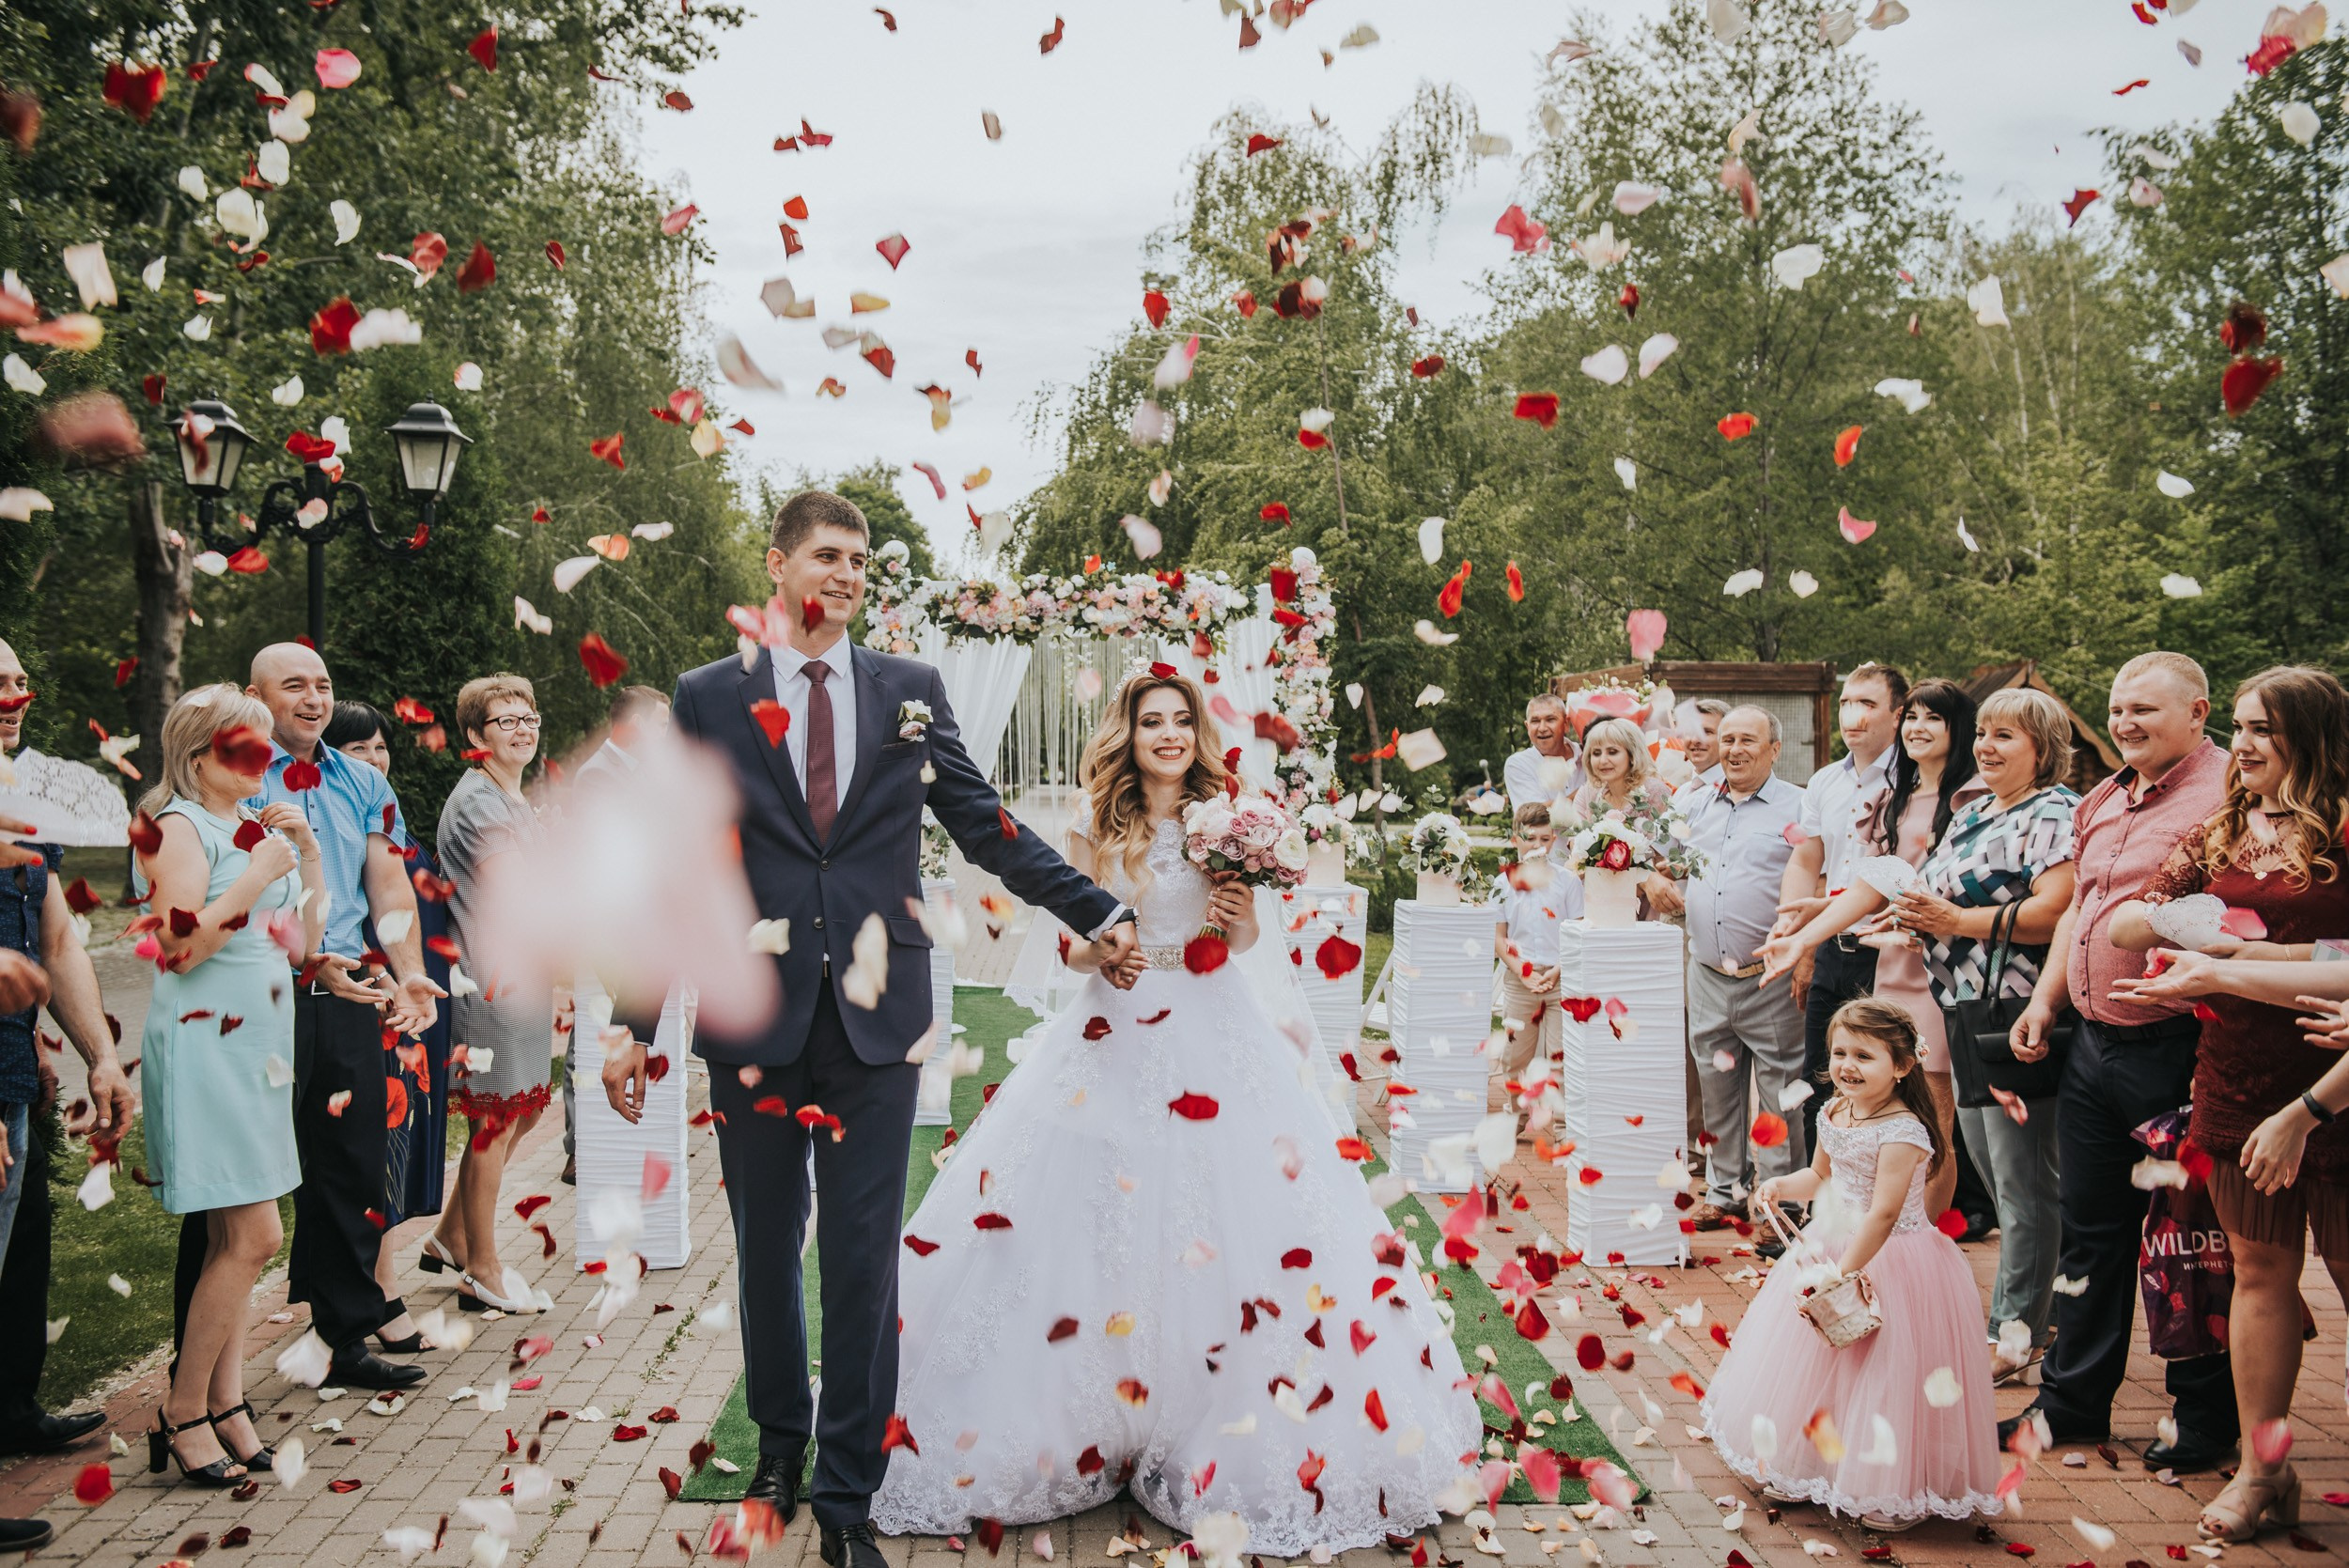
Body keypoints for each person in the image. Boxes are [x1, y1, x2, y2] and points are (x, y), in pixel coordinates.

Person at [600, 490, 1141, 1568]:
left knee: (858, 1260)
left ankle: (847, 1493)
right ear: (780, 564)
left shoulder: (910, 691)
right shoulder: (710, 698)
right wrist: (633, 1023)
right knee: (763, 1252)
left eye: (861, 562)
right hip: (754, 1015)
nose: (848, 575)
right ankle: (776, 1448)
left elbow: (984, 827)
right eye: (829, 556)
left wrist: (1097, 907)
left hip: (877, 1021)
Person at [871, 668, 1478, 1554]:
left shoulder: (1229, 820)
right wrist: (1100, 959)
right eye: (1150, 721)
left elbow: (1241, 944)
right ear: (1130, 732)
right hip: (1112, 1032)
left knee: (1227, 1221)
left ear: (1197, 733)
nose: (1166, 734)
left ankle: (1203, 1420)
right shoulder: (1095, 824)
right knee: (1093, 1219)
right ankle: (1093, 1418)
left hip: (1213, 1032)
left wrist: (1234, 913)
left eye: (1179, 721)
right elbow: (1069, 946)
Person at [2102, 666, 2349, 1543]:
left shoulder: (2348, 825)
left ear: (2312, 737)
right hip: (2237, 1078)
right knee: (2259, 1275)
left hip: (2337, 1080)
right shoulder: (2224, 829)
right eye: (2238, 727)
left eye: (2262, 730)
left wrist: (2241, 964)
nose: (2240, 745)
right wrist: (2197, 928)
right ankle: (2263, 1468)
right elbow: (2129, 922)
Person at [1998, 654, 2235, 1470]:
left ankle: (2204, 1417)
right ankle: (2072, 1405)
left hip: (2182, 1047)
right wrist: (2046, 1001)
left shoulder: (2232, 795)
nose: (2126, 722)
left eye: (2145, 709)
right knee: (2091, 1235)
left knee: (2191, 1244)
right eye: (2118, 709)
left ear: (2199, 711)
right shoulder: (2105, 794)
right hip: (2095, 1045)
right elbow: (2083, 910)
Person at [1701, 1000, 2001, 1531]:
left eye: (1865, 1055)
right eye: (1840, 1052)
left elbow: (1885, 1213)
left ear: (1904, 1066)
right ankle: (1801, 1465)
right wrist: (1779, 1185)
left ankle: (1891, 1486)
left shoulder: (1904, 1131)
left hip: (1896, 1258)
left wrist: (1843, 1273)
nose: (1847, 1065)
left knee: (1886, 1372)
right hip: (1834, 1241)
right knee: (1818, 1366)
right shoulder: (1834, 1110)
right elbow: (1819, 1176)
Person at [134, 685, 327, 1485]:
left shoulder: (258, 826)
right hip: (204, 1042)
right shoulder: (176, 826)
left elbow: (300, 946)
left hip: (259, 1046)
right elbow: (177, 950)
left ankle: (227, 1403)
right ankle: (181, 1411)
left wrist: (305, 851)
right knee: (256, 1237)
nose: (258, 759)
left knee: (231, 1239)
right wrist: (253, 875)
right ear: (197, 753)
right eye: (238, 746)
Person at [239, 643, 443, 1392]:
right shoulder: (228, 774)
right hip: (256, 995)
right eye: (295, 684)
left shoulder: (362, 780)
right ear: (254, 694)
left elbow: (389, 885)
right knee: (248, 1178)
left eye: (323, 684)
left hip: (349, 989)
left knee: (351, 1162)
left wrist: (411, 969)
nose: (314, 697)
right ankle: (203, 1367)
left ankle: (345, 1331)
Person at [1888, 687, 2077, 1382]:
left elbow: (2057, 909)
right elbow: (1940, 894)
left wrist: (1952, 922)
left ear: (2044, 748)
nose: (1989, 746)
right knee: (1993, 1174)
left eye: (2008, 736)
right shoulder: (1971, 813)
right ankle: (2043, 1310)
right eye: (1986, 733)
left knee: (2026, 1181)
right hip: (1962, 1009)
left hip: (2020, 1012)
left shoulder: (2055, 811)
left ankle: (2012, 1333)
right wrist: (1914, 917)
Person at [1759, 679, 1984, 1222]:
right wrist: (1801, 938)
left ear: (1959, 731)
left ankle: (1923, 1245)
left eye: (1934, 719)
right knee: (1891, 1114)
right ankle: (1878, 1234)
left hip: (1945, 972)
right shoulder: (1894, 800)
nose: (1918, 729)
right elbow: (1867, 890)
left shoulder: (1976, 799)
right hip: (1894, 970)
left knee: (1934, 1127)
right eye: (1913, 719)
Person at [0, 639, 132, 1477]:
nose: (16, 692)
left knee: (18, 1252)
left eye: (18, 678)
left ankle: (12, 1409)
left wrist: (99, 1056)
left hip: (15, 1072)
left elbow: (60, 944)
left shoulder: (25, 809)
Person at [321, 701, 456, 1353]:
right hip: (354, 989)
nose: (374, 760)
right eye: (358, 749)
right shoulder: (323, 807)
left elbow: (405, 902)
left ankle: (374, 1288)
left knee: (386, 1155)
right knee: (366, 1154)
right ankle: (375, 1295)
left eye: (380, 747)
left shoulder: (385, 812)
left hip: (401, 995)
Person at [421, 675, 555, 1313]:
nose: (523, 728)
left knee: (522, 1111)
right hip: (491, 979)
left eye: (528, 717)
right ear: (475, 737)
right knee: (495, 1120)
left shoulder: (513, 797)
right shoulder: (477, 801)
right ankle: (482, 1266)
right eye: (506, 720)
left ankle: (449, 1235)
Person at [1681, 706, 1810, 1229]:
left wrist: (1805, 957)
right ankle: (1725, 1189)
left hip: (1771, 976)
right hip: (1707, 973)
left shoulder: (1798, 808)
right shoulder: (1694, 804)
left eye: (1747, 740)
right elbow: (1659, 859)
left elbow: (1814, 885)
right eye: (1727, 738)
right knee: (1716, 1089)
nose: (1734, 749)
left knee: (1780, 1093)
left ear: (1774, 749)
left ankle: (1782, 1205)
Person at [1776, 663, 1906, 1154]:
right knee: (1821, 1076)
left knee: (1893, 1080)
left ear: (1898, 714)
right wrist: (1794, 933)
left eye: (1868, 704)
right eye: (1848, 702)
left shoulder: (1912, 779)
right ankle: (1820, 1199)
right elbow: (1807, 857)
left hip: (1891, 951)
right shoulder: (1825, 780)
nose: (1853, 714)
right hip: (1831, 946)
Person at [562, 685, 672, 1183]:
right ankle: (577, 1144)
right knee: (591, 1031)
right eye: (662, 725)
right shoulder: (598, 777)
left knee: (605, 1027)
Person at [1491, 802, 1583, 1085]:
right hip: (1521, 980)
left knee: (1561, 1057)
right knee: (1515, 1056)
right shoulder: (1503, 884)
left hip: (1561, 978)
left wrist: (1559, 968)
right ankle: (1515, 1118)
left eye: (1544, 839)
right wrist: (1523, 972)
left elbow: (1577, 932)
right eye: (1529, 839)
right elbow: (1499, 938)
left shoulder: (1567, 882)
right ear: (1515, 839)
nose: (1537, 846)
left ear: (1553, 840)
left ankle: (1561, 1125)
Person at [1566, 715, 1689, 918]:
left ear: (1631, 754)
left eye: (1612, 752)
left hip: (1649, 905)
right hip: (1600, 901)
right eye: (1596, 753)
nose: (1603, 760)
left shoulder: (1656, 792)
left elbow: (1665, 856)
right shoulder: (1589, 793)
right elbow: (1577, 851)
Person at [1503, 692, 1579, 814]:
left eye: (1550, 720)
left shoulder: (1589, 756)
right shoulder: (1518, 764)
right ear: (1527, 727)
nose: (1542, 728)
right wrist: (1589, 790)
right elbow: (1535, 816)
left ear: (1566, 724)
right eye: (1535, 721)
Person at [1670, 698, 1730, 811]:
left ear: (1727, 739)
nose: (1695, 740)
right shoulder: (1682, 792)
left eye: (1707, 732)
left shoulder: (1732, 793)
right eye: (1690, 731)